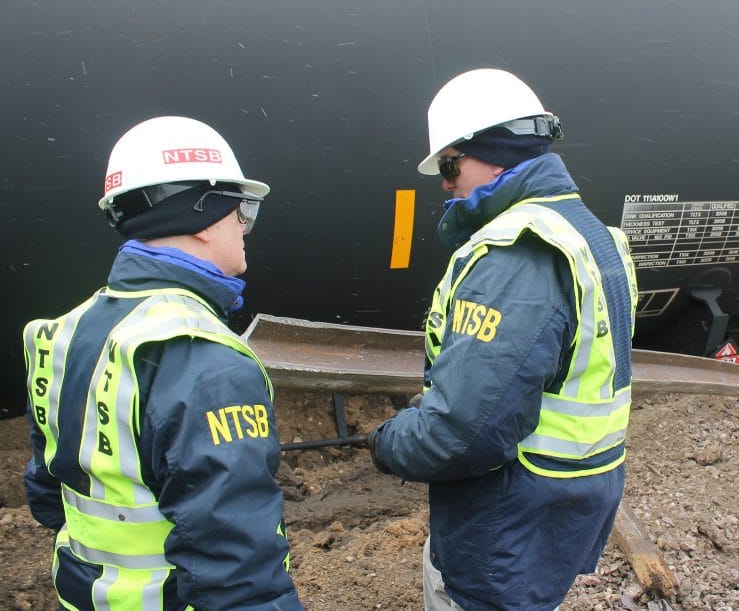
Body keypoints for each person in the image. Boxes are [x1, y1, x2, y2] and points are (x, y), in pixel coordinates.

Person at [369, 68, 639, 610]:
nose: (445, 184)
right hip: (563, 507)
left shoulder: (517, 253)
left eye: (449, 165)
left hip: (506, 521)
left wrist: (387, 442)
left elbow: (464, 434)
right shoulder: (591, 235)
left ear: (496, 153)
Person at [22, 116, 303, 610]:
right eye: (242, 210)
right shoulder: (204, 357)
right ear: (202, 216)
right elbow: (238, 569)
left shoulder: (66, 331)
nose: (244, 227)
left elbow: (48, 490)